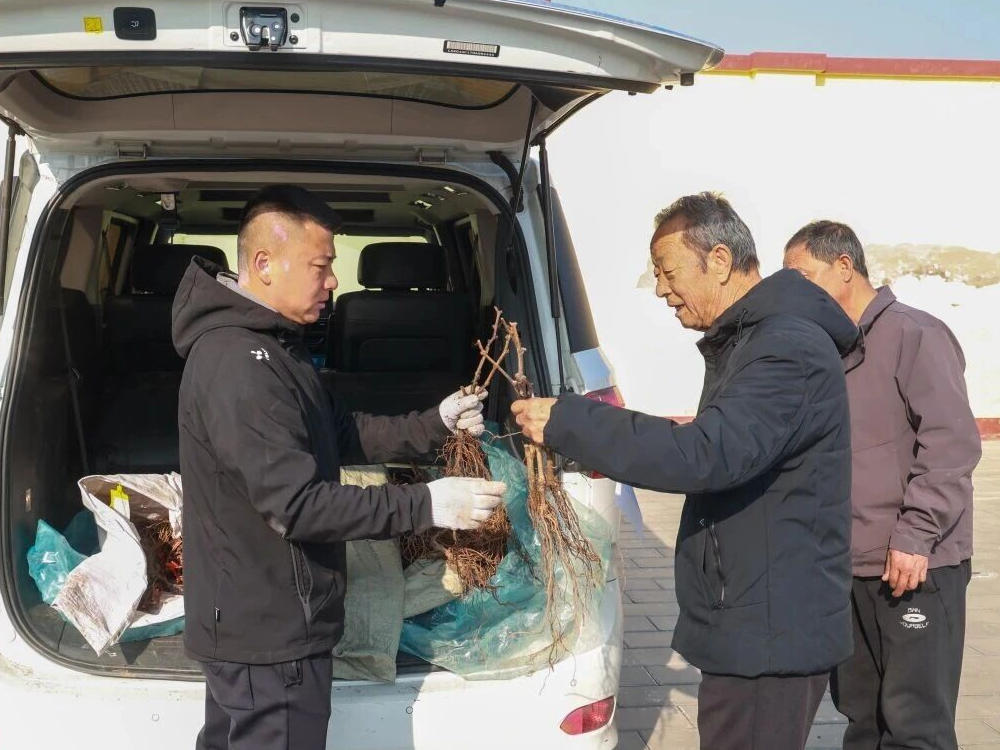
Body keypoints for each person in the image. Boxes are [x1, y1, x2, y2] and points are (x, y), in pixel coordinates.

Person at [511, 192, 858, 750]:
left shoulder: (785, 348)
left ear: (719, 260)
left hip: (771, 632)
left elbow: (704, 454)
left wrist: (571, 422)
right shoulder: (750, 341)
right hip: (751, 618)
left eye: (669, 273)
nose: (661, 290)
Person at [171, 184, 506, 750]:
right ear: (264, 264)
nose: (333, 281)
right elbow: (298, 506)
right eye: (321, 265)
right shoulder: (239, 362)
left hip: (262, 622)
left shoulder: (277, 346)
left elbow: (340, 432)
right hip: (268, 634)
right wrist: (427, 503)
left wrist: (436, 423)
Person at [784, 220, 981, 750]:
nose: (795, 292)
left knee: (914, 725)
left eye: (803, 276)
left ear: (844, 266)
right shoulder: (827, 349)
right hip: (848, 568)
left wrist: (915, 535)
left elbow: (951, 444)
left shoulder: (916, 335)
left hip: (914, 566)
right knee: (862, 719)